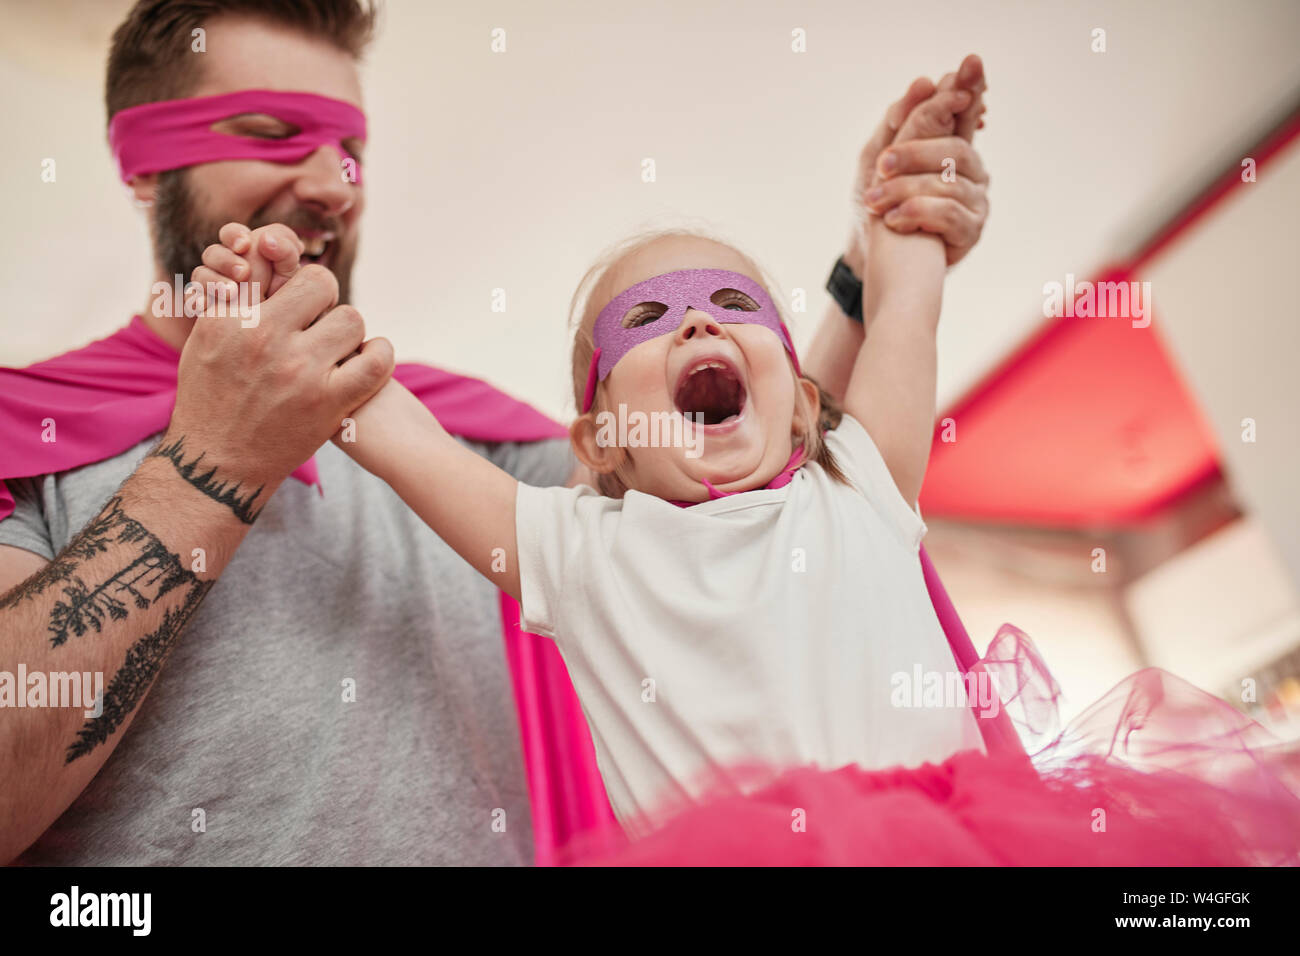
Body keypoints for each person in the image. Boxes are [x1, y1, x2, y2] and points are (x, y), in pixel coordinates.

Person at [204, 65, 1300, 865]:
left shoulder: (860, 477)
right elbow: (385, 423)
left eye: (734, 307)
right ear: (600, 440)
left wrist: (915, 184)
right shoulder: (574, 548)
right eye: (652, 319)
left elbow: (906, 298)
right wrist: (282, 292)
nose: (698, 330)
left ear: (802, 398)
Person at [0, 0, 992, 865]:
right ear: (143, 165)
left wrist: (872, 260)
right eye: (269, 131)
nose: (333, 182)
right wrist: (215, 457)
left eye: (351, 151)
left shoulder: (479, 438)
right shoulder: (24, 431)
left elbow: (757, 499)